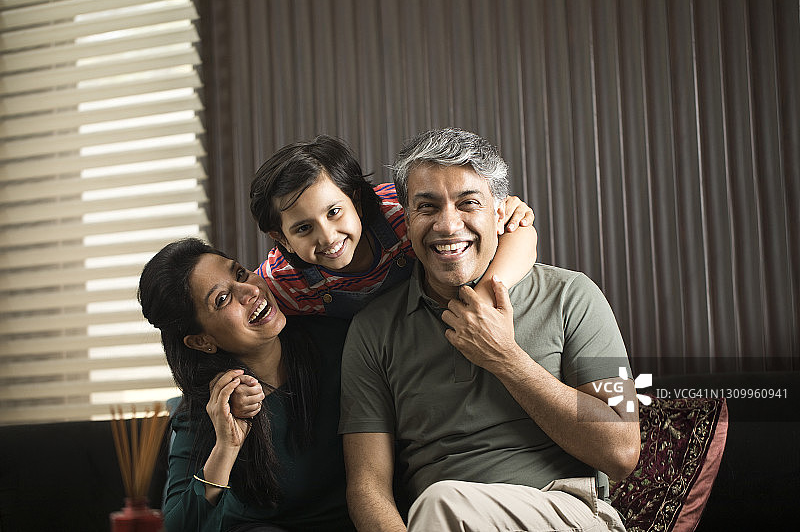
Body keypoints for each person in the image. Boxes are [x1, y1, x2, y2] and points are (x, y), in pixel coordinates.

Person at [338, 128, 641, 531]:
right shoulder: (372, 330)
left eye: (468, 204)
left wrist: (507, 359)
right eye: (427, 207)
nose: (447, 225)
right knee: (439, 505)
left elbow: (622, 451)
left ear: (499, 213)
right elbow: (367, 486)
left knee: (442, 503)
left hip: (567, 512)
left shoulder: (573, 295)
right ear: (406, 220)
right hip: (436, 521)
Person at [138, 238, 354, 532]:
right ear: (202, 340)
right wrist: (227, 446)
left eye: (239, 274)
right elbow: (178, 527)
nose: (251, 290)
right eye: (222, 299)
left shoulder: (338, 343)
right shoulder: (208, 409)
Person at [249, 134, 538, 319]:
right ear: (281, 239)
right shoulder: (280, 282)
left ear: (357, 202)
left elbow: (521, 231)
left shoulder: (403, 212)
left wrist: (485, 297)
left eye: (334, 212)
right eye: (303, 229)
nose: (328, 236)